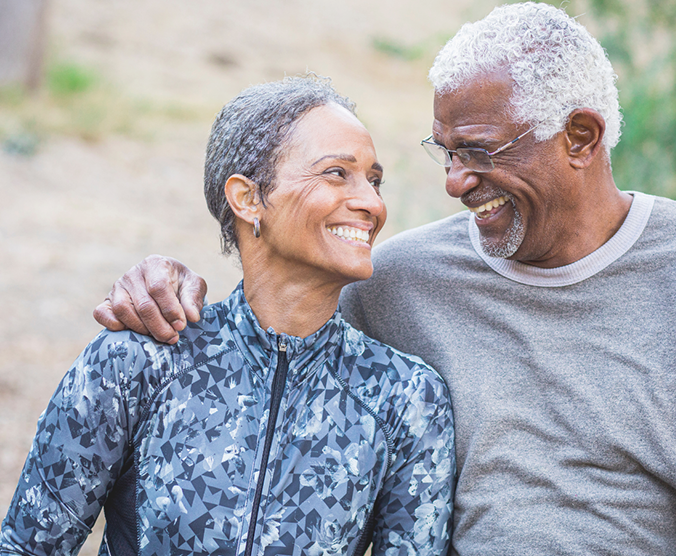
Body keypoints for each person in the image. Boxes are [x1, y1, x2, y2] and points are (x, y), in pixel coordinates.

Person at [92, 3, 676, 555]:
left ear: (580, 138)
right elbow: (267, 351)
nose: (457, 182)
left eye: (479, 152)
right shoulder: (400, 281)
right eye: (445, 152)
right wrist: (166, 282)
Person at [0, 77, 456, 556]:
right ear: (248, 199)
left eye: (375, 180)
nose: (372, 203)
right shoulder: (140, 361)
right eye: (337, 173)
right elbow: (27, 546)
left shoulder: (406, 398)